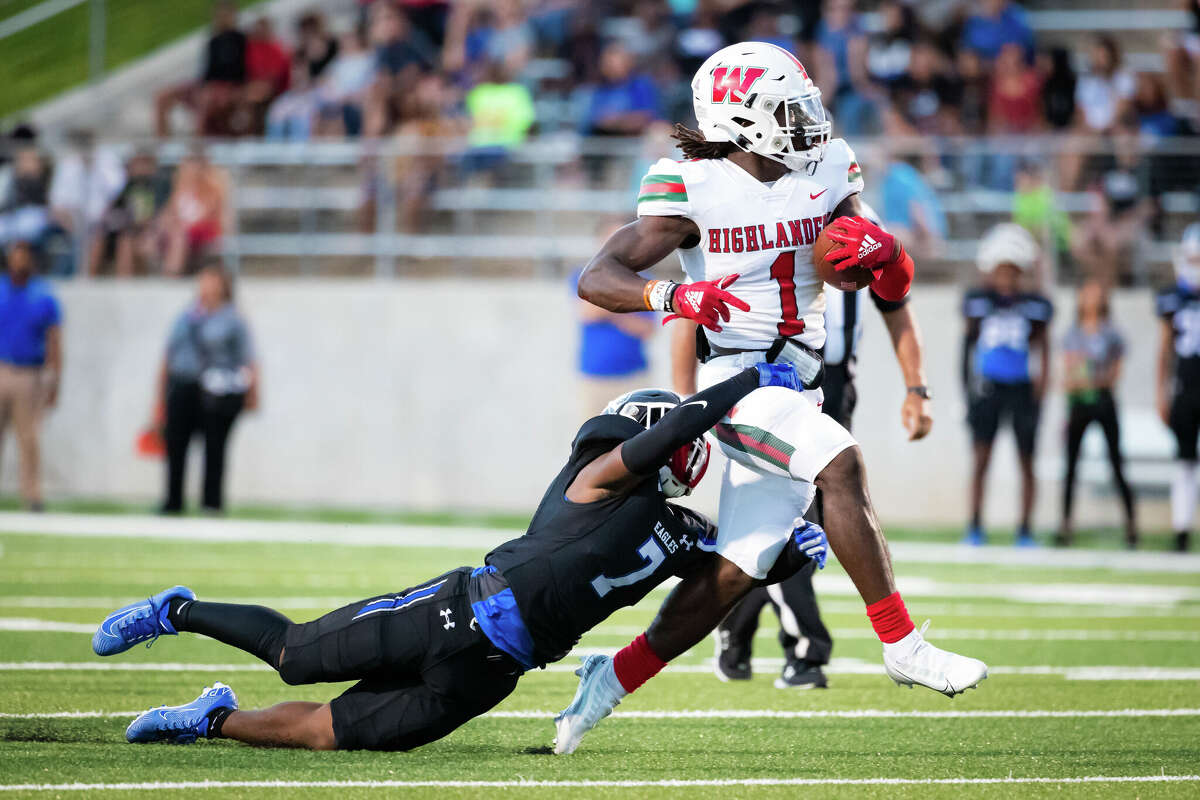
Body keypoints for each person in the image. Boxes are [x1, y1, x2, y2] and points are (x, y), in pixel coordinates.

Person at [557, 42, 987, 755]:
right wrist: (673, 291)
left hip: (802, 384)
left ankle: (611, 677)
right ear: (743, 118)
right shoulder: (690, 186)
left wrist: (883, 256)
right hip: (738, 385)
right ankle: (903, 643)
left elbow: (881, 270)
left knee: (737, 570)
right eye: (790, 108)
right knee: (839, 464)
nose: (808, 120)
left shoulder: (826, 166)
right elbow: (596, 276)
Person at [92, 363, 827, 750]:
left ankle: (213, 720)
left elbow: (724, 581)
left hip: (497, 671)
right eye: (683, 440)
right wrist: (744, 384)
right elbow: (670, 438)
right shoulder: (600, 475)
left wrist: (793, 556)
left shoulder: (677, 529)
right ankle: (175, 610)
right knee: (295, 655)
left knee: (330, 733)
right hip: (460, 611)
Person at [701, 205, 935, 689]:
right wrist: (693, 403)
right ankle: (800, 650)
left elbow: (897, 306)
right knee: (786, 519)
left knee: (792, 520)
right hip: (764, 384)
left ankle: (737, 638)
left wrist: (917, 388)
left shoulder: (861, 223)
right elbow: (702, 314)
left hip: (831, 387)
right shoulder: (766, 211)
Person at [962, 224, 1053, 547]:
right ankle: (974, 525)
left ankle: (1025, 529)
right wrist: (968, 392)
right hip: (988, 388)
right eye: (1001, 270)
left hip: (1021, 388)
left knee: (1026, 459)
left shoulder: (1034, 304)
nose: (1006, 279)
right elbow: (967, 348)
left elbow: (1044, 348)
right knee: (981, 458)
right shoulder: (978, 301)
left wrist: (1042, 390)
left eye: (1012, 271)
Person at [156, 265, 258, 514]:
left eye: (212, 281)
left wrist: (252, 393)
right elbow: (168, 356)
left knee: (215, 446)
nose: (206, 286)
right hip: (182, 385)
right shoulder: (186, 316)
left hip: (216, 391)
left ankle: (211, 503)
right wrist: (159, 397)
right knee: (175, 444)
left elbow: (248, 359)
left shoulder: (233, 319)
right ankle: (173, 502)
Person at [1058, 280, 1136, 548]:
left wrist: (1091, 380)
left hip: (1103, 402)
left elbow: (1115, 372)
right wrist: (1081, 381)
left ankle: (1131, 524)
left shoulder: (1111, 333)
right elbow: (1069, 372)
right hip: (1079, 403)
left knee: (1116, 461)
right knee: (1070, 465)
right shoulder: (1074, 332)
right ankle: (1065, 524)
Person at [0, 240, 62, 511]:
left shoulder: (43, 296)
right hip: (2, 367)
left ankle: (32, 494)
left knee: (29, 438)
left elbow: (54, 341)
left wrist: (55, 379)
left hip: (29, 373)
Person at [1156, 223, 1200, 552]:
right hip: (1185, 387)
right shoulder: (1173, 298)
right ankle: (1181, 530)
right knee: (1184, 460)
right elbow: (1164, 350)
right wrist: (1161, 392)